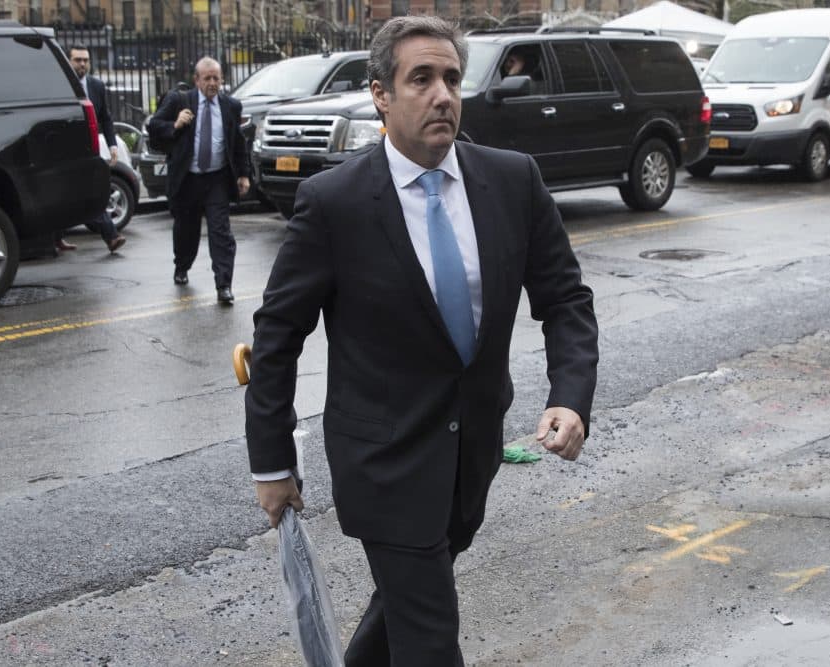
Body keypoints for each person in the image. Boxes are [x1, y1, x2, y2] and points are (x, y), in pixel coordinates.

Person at [244, 15, 599, 666]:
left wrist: (569, 395)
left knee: (406, 602)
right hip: (382, 463)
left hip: (471, 459)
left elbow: (565, 299)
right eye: (422, 79)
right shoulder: (335, 202)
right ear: (381, 93)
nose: (443, 94)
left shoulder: (513, 180)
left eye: (453, 79)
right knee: (429, 635)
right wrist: (272, 463)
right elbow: (278, 336)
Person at [146, 57, 250, 303]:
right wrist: (175, 123)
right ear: (197, 80)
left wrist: (244, 174)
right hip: (188, 179)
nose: (213, 83)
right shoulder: (179, 100)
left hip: (217, 179)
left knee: (220, 232)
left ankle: (224, 285)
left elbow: (238, 142)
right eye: (208, 78)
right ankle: (182, 265)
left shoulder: (231, 106)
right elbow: (154, 126)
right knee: (186, 230)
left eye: (217, 78)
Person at [68, 45, 126, 254]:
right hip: (67, 151)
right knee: (83, 193)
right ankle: (111, 236)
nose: (82, 64)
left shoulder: (96, 86)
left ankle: (55, 240)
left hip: (90, 150)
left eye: (85, 60)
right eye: (77, 60)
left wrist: (112, 145)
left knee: (88, 192)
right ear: (69, 61)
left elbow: (106, 118)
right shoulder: (63, 84)